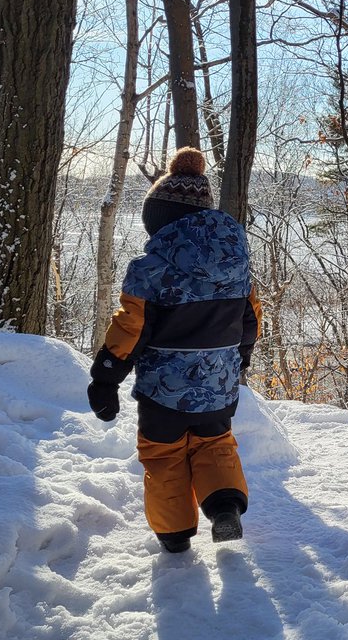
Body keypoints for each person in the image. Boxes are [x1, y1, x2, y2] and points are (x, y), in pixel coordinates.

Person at [87, 147, 262, 553]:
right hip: (218, 389)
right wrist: (240, 358)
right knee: (215, 444)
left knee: (164, 458)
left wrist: (105, 377)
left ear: (161, 221)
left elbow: (130, 328)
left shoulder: (149, 269)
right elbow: (251, 317)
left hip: (163, 393)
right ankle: (223, 507)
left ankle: (175, 536)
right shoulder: (237, 263)